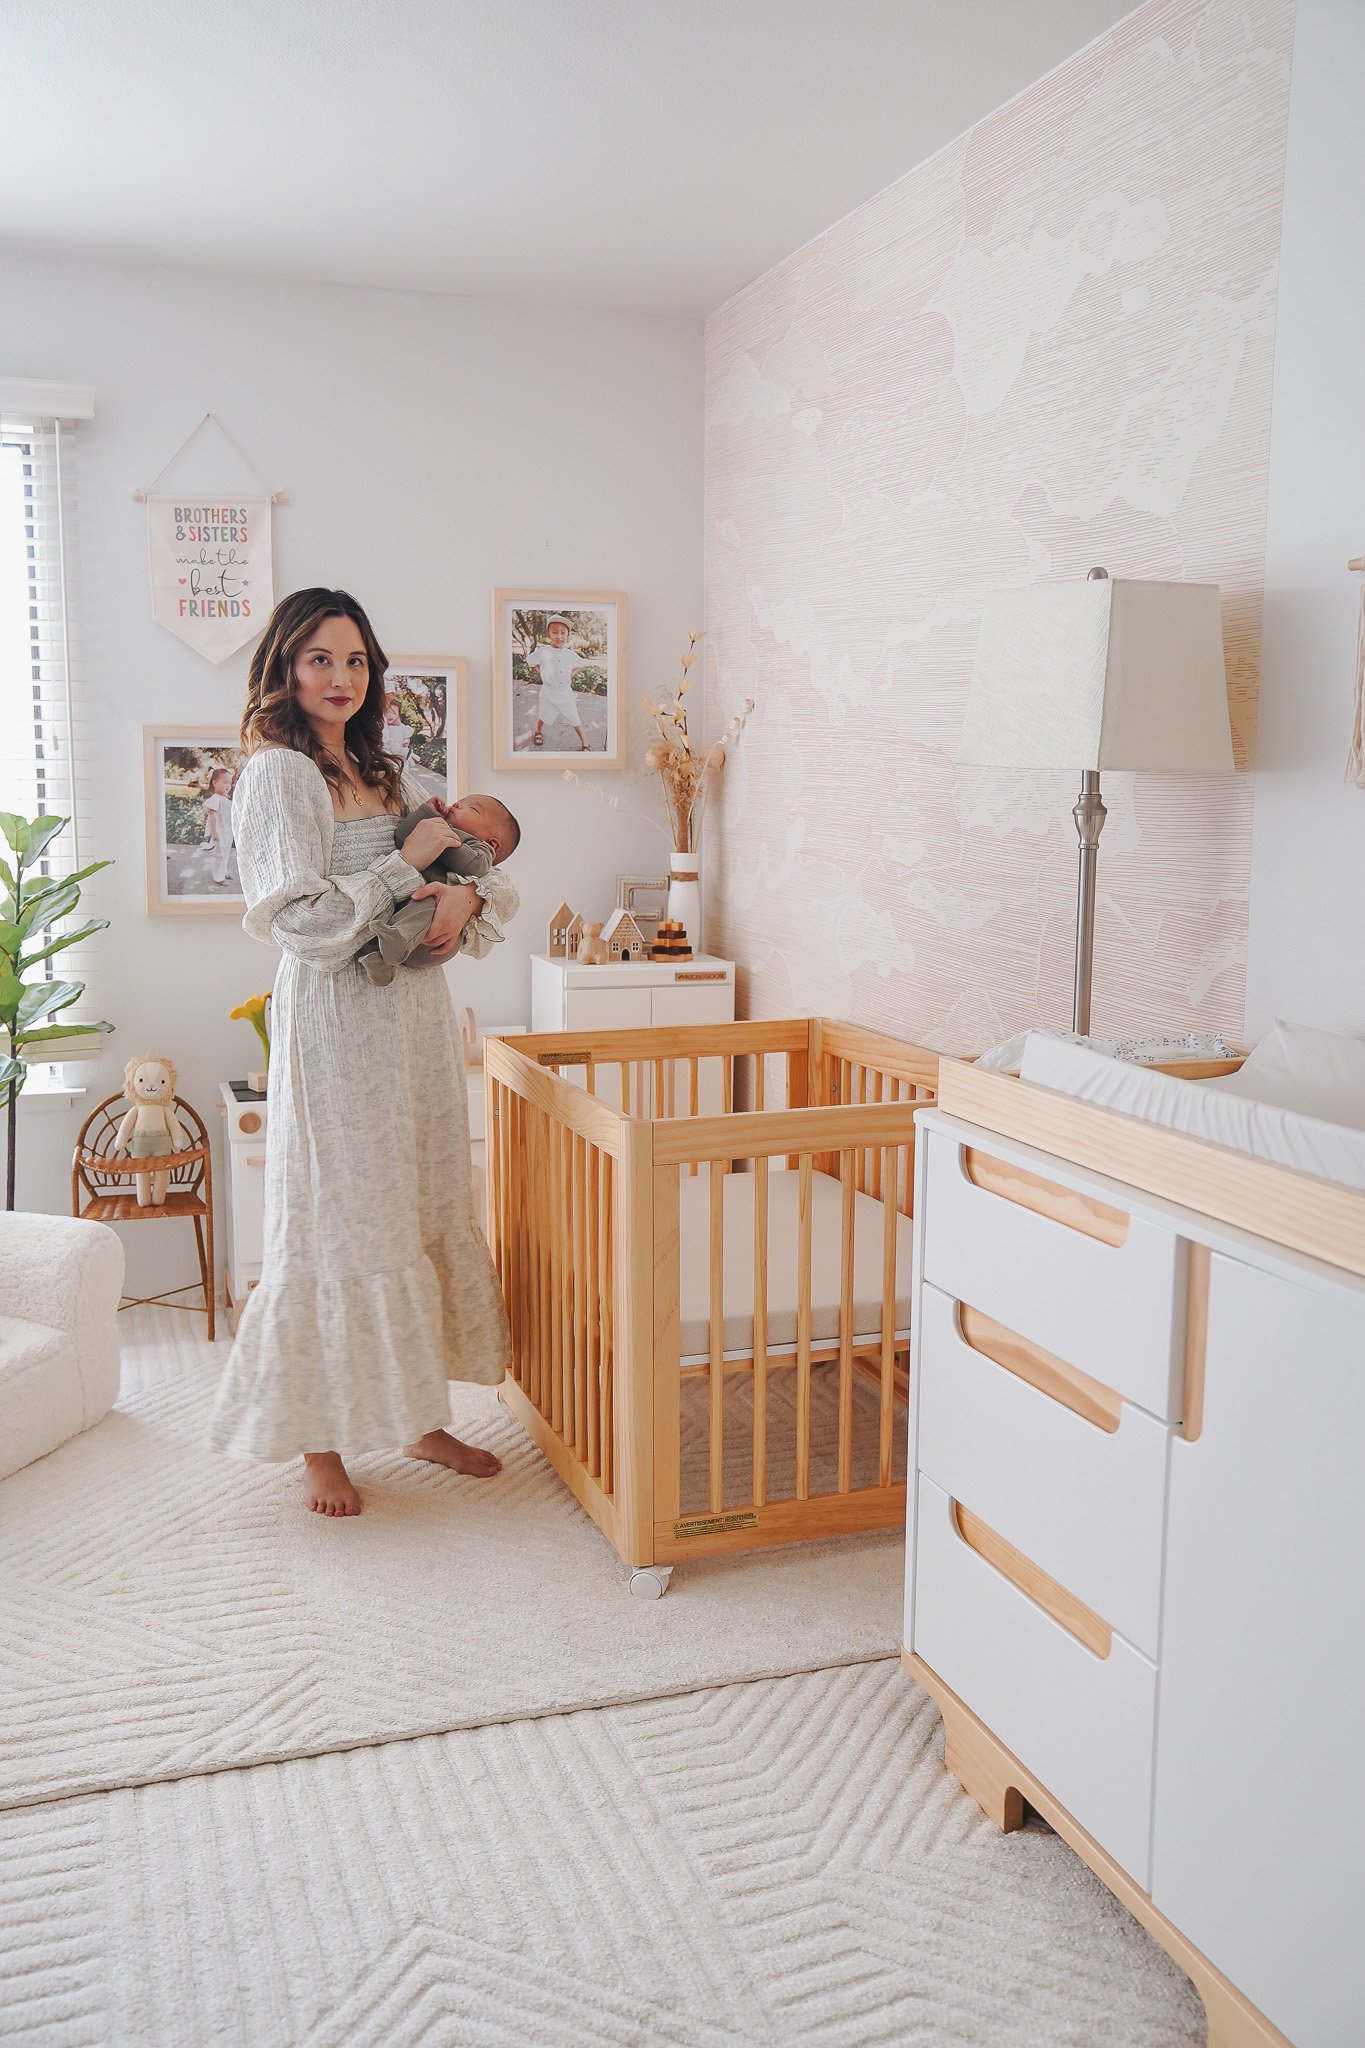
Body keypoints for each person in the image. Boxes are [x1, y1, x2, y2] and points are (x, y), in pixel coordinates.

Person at [207, 587, 511, 1517]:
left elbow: (471, 868)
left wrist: (462, 905)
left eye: (354, 661)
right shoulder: (278, 775)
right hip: (337, 1021)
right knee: (335, 1218)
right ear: (285, 671)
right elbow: (299, 923)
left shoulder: (384, 770)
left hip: (414, 1017)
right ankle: (320, 1443)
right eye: (318, 660)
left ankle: (417, 1415)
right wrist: (404, 867)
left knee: (416, 1201)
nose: (340, 679)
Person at [524, 614, 595, 751]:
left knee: (575, 718)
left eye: (563, 633)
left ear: (567, 635)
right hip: (548, 693)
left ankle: (585, 743)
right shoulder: (544, 651)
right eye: (555, 632)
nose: (559, 636)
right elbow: (530, 661)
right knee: (543, 715)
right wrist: (541, 673)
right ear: (548, 634)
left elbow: (581, 665)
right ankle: (538, 732)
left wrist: (570, 675)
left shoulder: (570, 654)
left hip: (565, 694)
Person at [200, 765, 236, 885]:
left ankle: (223, 872)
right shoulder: (216, 798)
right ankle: (218, 877)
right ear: (215, 783)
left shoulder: (223, 799)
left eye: (229, 783)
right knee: (220, 855)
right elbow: (213, 816)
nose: (228, 786)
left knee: (225, 854)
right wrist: (214, 832)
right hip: (220, 832)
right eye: (225, 782)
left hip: (227, 831)